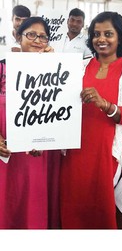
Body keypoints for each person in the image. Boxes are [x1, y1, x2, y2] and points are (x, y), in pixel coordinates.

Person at [59, 11, 122, 229]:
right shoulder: (81, 66)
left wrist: (104, 104)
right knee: (72, 201)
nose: (101, 39)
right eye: (96, 34)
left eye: (108, 33)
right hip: (75, 148)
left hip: (105, 150)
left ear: (120, 37)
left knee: (100, 206)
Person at [0, 16, 61, 229]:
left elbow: (62, 110)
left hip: (40, 151)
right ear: (19, 37)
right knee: (8, 200)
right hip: (6, 150)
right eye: (31, 35)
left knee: (34, 200)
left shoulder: (55, 70)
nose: (37, 40)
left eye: (43, 37)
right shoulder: (2, 68)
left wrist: (54, 64)